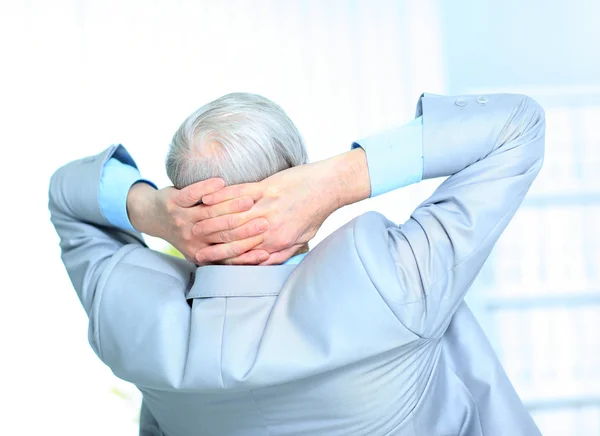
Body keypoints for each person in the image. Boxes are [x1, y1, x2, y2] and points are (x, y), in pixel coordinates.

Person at [49, 92, 545, 436]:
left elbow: (66, 196)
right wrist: (334, 182)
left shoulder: (128, 316)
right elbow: (516, 126)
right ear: (295, 176)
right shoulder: (389, 280)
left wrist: (151, 210)